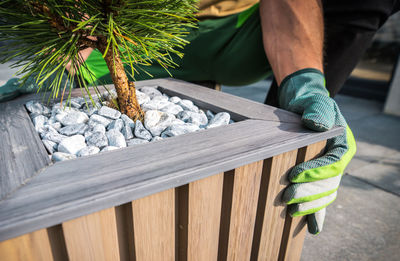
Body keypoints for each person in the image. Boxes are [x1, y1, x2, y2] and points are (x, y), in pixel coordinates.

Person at [0, 0, 399, 234]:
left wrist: (306, 80)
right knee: (46, 90)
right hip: (138, 38)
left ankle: (292, 134)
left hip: (245, 30)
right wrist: (58, 58)